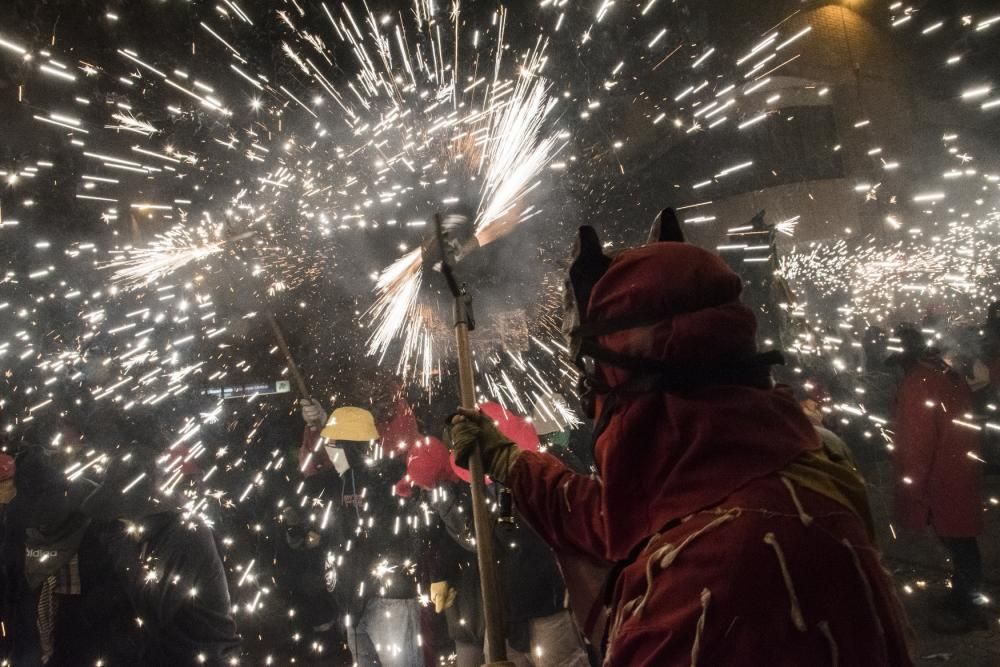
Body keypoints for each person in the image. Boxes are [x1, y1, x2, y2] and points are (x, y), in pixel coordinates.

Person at [445, 215, 913, 666]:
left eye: (594, 383)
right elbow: (615, 519)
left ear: (633, 383)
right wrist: (509, 460)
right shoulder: (792, 456)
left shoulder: (702, 582)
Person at [298, 400, 424, 667]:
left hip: (388, 598)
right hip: (351, 603)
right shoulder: (336, 483)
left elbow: (392, 536)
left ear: (350, 446)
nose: (328, 450)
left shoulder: (389, 478)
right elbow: (309, 482)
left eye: (333, 444)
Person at [889, 324, 987, 633]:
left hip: (941, 473)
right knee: (959, 537)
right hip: (959, 466)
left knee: (958, 539)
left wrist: (913, 484)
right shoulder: (945, 371)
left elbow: (918, 441)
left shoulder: (918, 382)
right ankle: (964, 595)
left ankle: (971, 606)